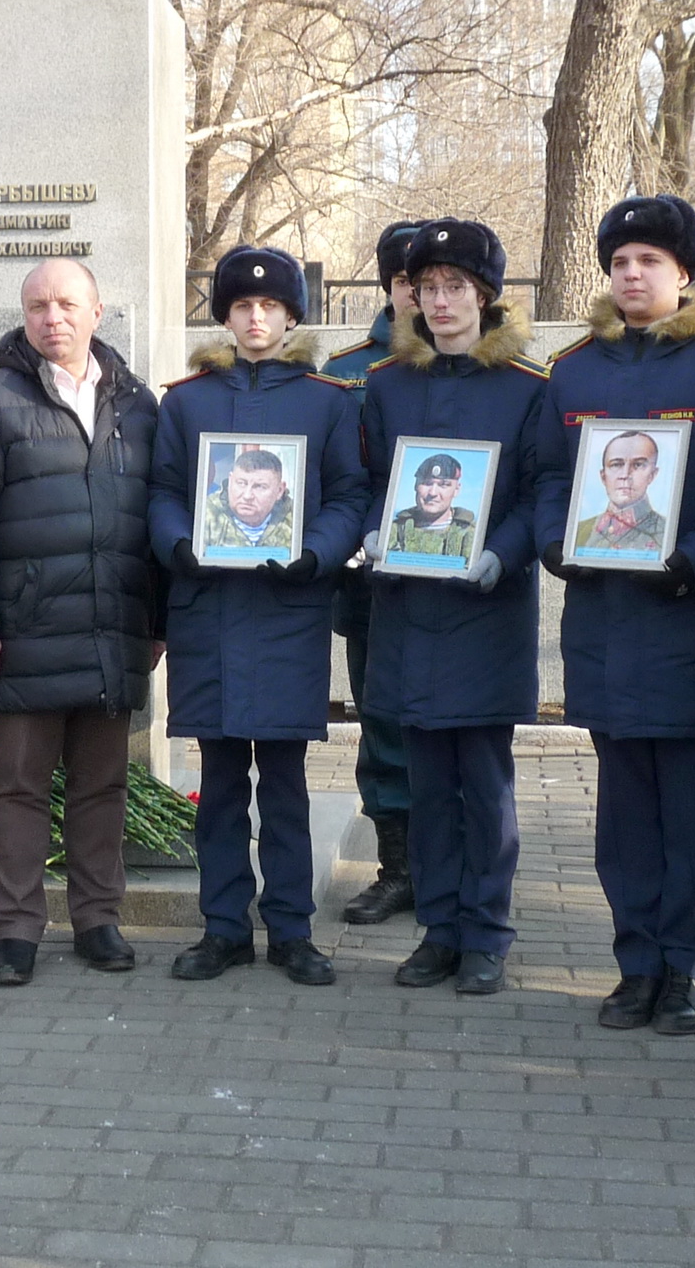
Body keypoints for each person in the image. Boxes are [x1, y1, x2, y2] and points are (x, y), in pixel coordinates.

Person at [535, 195, 695, 1036]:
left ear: (684, 274)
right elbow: (551, 476)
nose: (633, 275)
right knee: (623, 811)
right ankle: (637, 961)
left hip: (690, 620)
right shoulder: (576, 369)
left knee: (690, 806)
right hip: (605, 622)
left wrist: (694, 557)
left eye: (651, 262)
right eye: (622, 262)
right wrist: (562, 542)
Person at [0, 257, 162, 988]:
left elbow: (157, 521)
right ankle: (16, 930)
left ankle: (98, 918)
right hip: (26, 634)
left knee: (103, 787)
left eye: (67, 303)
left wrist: (154, 622)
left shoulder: (140, 406)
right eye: (37, 304)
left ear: (99, 310)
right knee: (21, 788)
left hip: (110, 631)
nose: (52, 317)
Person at [152, 248, 370, 987]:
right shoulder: (186, 400)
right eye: (241, 307)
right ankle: (222, 927)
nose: (255, 318)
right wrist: (180, 544)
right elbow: (162, 492)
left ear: (289, 316)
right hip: (209, 611)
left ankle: (291, 928)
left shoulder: (326, 399)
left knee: (283, 784)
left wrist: (317, 552)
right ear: (224, 315)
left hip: (286, 611)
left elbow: (349, 494)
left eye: (270, 307)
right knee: (217, 785)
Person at [361, 218, 549, 995]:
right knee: (426, 783)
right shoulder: (386, 385)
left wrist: (499, 552)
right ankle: (439, 928)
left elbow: (543, 496)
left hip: (484, 612)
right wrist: (374, 533)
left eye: (455, 287)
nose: (440, 302)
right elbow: (369, 481)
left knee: (484, 782)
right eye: (426, 287)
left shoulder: (528, 389)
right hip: (408, 611)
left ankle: (488, 931)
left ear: (486, 295)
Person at [324, 221, 419, 924]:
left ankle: (458, 868)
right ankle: (399, 866)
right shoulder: (347, 371)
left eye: (442, 279)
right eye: (410, 279)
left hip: (463, 590)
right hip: (374, 588)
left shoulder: (490, 368)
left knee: (459, 734)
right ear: (389, 285)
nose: (424, 293)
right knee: (382, 723)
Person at [387, 454, 478, 557]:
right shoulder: (395, 530)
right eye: (427, 483)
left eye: (443, 485)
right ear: (416, 486)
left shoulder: (470, 532)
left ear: (456, 490)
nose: (433, 493)